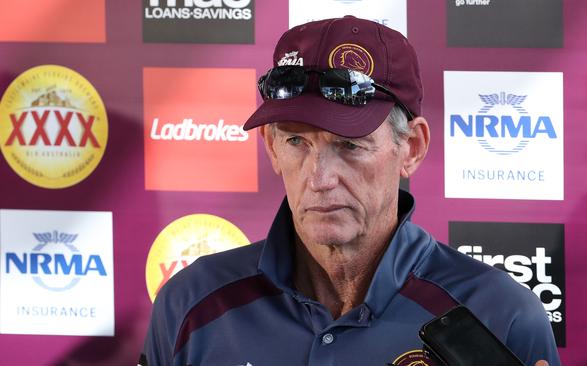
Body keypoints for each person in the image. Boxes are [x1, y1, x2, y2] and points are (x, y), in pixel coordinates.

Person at [139, 16, 561, 366]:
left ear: (410, 148)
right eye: (296, 142)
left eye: (350, 145)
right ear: (271, 146)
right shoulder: (191, 304)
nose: (319, 178)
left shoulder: (500, 317)